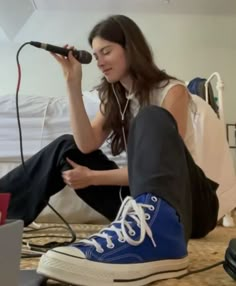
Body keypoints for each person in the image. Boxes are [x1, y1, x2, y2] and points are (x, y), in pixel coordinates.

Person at [0, 15, 219, 285]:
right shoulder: (115, 97)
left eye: (106, 51)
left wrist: (92, 177)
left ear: (131, 49)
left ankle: (159, 240)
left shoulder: (172, 91)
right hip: (139, 204)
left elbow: (164, 171)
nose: (100, 61)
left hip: (189, 204)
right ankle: (2, 208)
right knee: (65, 146)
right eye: (95, 54)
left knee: (150, 117)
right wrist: (72, 82)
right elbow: (84, 145)